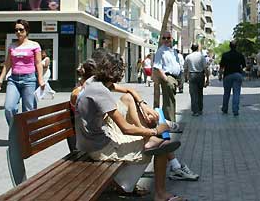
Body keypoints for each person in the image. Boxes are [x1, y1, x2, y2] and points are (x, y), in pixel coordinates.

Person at [74, 52, 185, 201]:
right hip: (98, 148)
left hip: (91, 139)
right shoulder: (100, 91)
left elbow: (129, 91)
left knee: (128, 99)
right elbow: (125, 128)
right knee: (161, 149)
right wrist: (155, 130)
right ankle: (160, 194)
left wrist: (141, 104)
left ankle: (148, 140)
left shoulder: (94, 82)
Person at [153, 33, 200, 181]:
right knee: (168, 102)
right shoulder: (160, 51)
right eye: (165, 38)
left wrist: (179, 78)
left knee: (172, 102)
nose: (167, 40)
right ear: (162, 39)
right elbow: (157, 66)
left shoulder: (173, 51)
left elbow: (178, 65)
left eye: (169, 38)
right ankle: (169, 123)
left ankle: (170, 123)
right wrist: (166, 79)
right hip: (168, 77)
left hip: (174, 77)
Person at [0, 20, 45, 126]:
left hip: (29, 80)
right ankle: (16, 133)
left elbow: (38, 63)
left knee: (29, 109)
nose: (18, 32)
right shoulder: (12, 46)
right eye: (16, 30)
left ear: (26, 31)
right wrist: (0, 79)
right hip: (13, 80)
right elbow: (7, 64)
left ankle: (30, 135)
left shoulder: (34, 45)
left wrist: (40, 79)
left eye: (21, 30)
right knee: (9, 108)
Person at [219, 41, 246, 116]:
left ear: (229, 46)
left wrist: (220, 75)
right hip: (237, 75)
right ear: (236, 46)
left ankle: (225, 109)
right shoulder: (240, 55)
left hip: (227, 75)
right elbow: (244, 66)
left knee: (226, 93)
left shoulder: (225, 55)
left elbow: (221, 66)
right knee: (236, 93)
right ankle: (235, 110)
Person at [184, 43, 209, 116]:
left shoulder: (188, 57)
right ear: (198, 48)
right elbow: (205, 68)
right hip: (200, 75)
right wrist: (207, 78)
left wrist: (185, 77)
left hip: (192, 75)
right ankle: (200, 109)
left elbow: (185, 68)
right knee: (200, 92)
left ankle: (195, 111)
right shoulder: (201, 56)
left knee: (193, 93)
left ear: (191, 48)